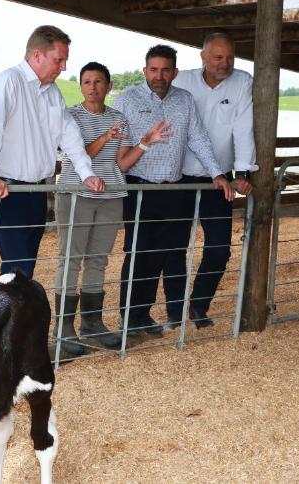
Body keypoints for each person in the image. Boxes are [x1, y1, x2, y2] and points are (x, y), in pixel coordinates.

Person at [113, 44, 234, 336]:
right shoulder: (126, 100)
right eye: (153, 69)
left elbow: (199, 139)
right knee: (138, 253)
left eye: (165, 70)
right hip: (139, 189)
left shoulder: (185, 100)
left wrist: (217, 173)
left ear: (174, 72)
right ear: (145, 71)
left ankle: (156, 316)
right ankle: (131, 317)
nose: (159, 75)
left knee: (170, 254)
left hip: (174, 189)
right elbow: (118, 151)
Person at [54, 62, 171, 357]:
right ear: (80, 86)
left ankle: (92, 322)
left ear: (108, 86)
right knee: (71, 259)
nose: (93, 87)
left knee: (98, 260)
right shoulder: (70, 116)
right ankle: (64, 327)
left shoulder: (118, 117)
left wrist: (144, 144)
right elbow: (78, 155)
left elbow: (119, 164)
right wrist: (106, 137)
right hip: (76, 194)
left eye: (99, 82)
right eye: (87, 82)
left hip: (111, 194)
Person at [0, 25, 103, 279]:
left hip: (37, 190)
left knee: (27, 265)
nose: (63, 67)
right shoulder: (9, 80)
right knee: (16, 267)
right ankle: (10, 315)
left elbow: (69, 136)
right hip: (8, 190)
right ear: (37, 55)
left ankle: (16, 315)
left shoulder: (53, 93)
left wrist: (86, 173)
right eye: (59, 59)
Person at [163, 32, 257, 329]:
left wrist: (242, 173)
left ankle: (198, 306)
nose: (225, 63)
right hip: (180, 177)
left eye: (230, 57)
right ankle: (175, 312)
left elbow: (244, 128)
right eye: (218, 57)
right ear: (203, 57)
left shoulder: (242, 82)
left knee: (219, 249)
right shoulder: (182, 81)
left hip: (221, 182)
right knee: (174, 247)